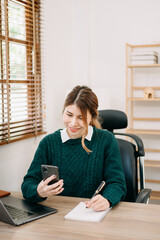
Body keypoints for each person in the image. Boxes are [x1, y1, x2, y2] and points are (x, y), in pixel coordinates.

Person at [21, 85, 126, 212]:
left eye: (81, 117)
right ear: (63, 111)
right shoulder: (48, 143)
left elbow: (117, 183)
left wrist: (107, 199)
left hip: (92, 213)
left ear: (92, 117)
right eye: (69, 114)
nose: (73, 123)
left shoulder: (106, 140)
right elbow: (27, 185)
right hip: (57, 214)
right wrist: (38, 191)